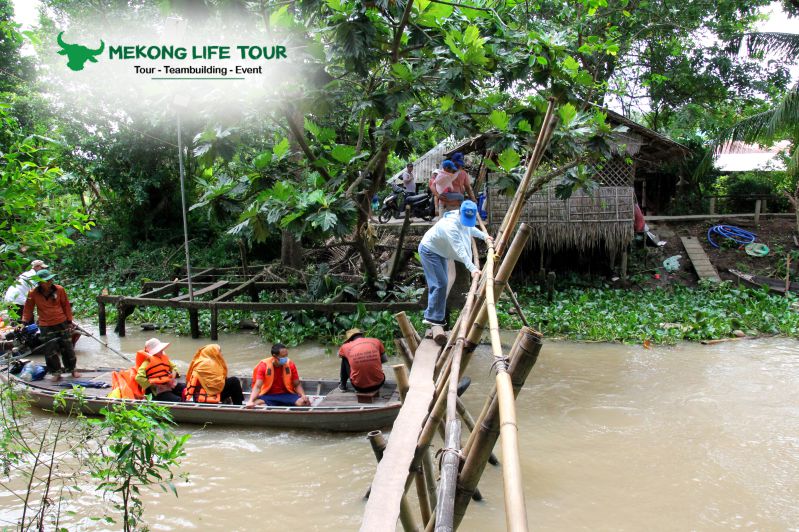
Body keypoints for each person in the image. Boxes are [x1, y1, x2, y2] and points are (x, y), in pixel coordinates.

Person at [418, 200, 491, 326]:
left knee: (442, 282)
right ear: (460, 214)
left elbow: (470, 228)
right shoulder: (450, 225)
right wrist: (472, 268)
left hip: (440, 251)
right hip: (429, 250)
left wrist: (484, 236)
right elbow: (460, 250)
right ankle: (432, 317)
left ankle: (437, 317)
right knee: (440, 283)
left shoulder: (461, 218)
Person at [21, 269, 78, 381]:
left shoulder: (59, 290)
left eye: (50, 279)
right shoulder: (33, 293)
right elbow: (28, 309)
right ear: (40, 283)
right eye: (47, 281)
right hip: (45, 324)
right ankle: (56, 373)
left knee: (67, 347)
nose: (50, 282)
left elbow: (66, 305)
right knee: (50, 350)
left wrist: (69, 321)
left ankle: (72, 369)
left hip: (61, 322)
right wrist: (24, 323)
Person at [246, 343, 311, 407]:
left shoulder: (290, 364)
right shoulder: (264, 365)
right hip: (268, 395)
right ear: (274, 356)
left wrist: (303, 395)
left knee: (304, 403)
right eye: (283, 356)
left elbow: (297, 384)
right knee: (257, 404)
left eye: (286, 355)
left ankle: (279, 404)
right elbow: (257, 386)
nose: (285, 358)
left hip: (286, 394)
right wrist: (250, 401)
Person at [338, 328, 387, 393]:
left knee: (344, 358)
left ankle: (343, 386)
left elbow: (340, 355)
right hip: (379, 384)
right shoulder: (376, 341)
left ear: (349, 339)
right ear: (362, 335)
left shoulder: (345, 346)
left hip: (359, 387)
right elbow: (384, 360)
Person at [135, 338, 184, 402]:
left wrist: (172, 380)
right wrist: (156, 386)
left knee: (185, 388)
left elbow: (174, 368)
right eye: (159, 350)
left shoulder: (162, 358)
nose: (162, 350)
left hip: (167, 385)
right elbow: (139, 378)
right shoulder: (147, 363)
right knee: (178, 400)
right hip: (157, 391)